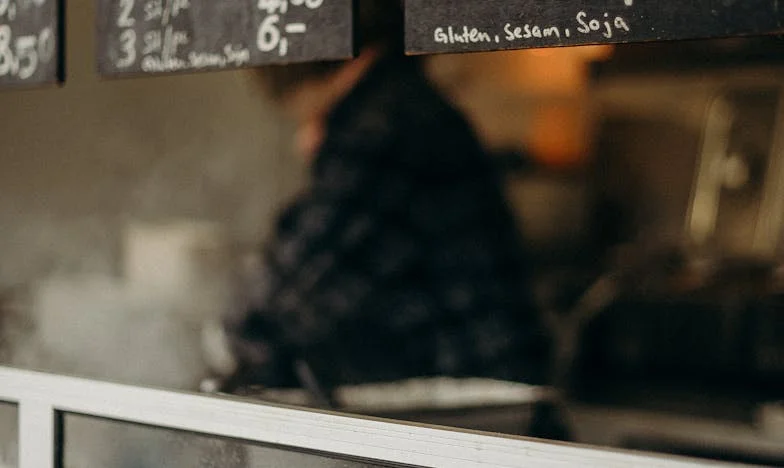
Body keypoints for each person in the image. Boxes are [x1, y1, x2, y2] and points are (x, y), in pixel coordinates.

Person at [217, 1, 552, 399]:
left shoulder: (385, 123)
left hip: (479, 410)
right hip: (473, 393)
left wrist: (220, 346)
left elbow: (281, 302)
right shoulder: (398, 106)